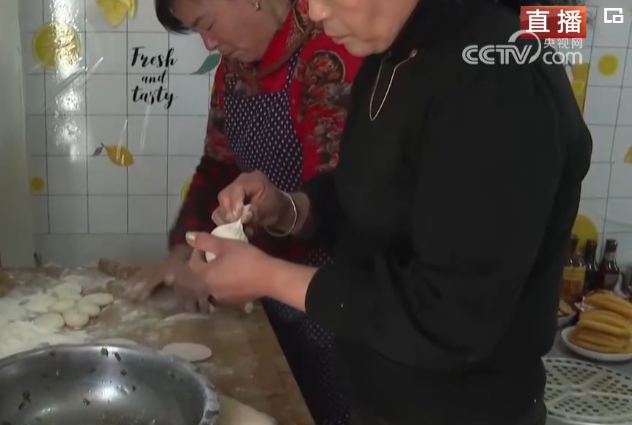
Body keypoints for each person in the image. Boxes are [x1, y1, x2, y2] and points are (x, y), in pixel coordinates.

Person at [183, 0, 592, 424]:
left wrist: (267, 277)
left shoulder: (496, 74)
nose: (315, 14)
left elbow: (449, 314)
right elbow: (372, 197)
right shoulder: (391, 57)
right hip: (378, 401)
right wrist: (288, 209)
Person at [126, 0, 361, 424]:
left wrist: (280, 216)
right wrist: (186, 248)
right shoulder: (232, 74)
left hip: (331, 300)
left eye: (207, 24)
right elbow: (217, 166)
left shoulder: (331, 53)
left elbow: (342, 198)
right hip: (260, 293)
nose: (208, 43)